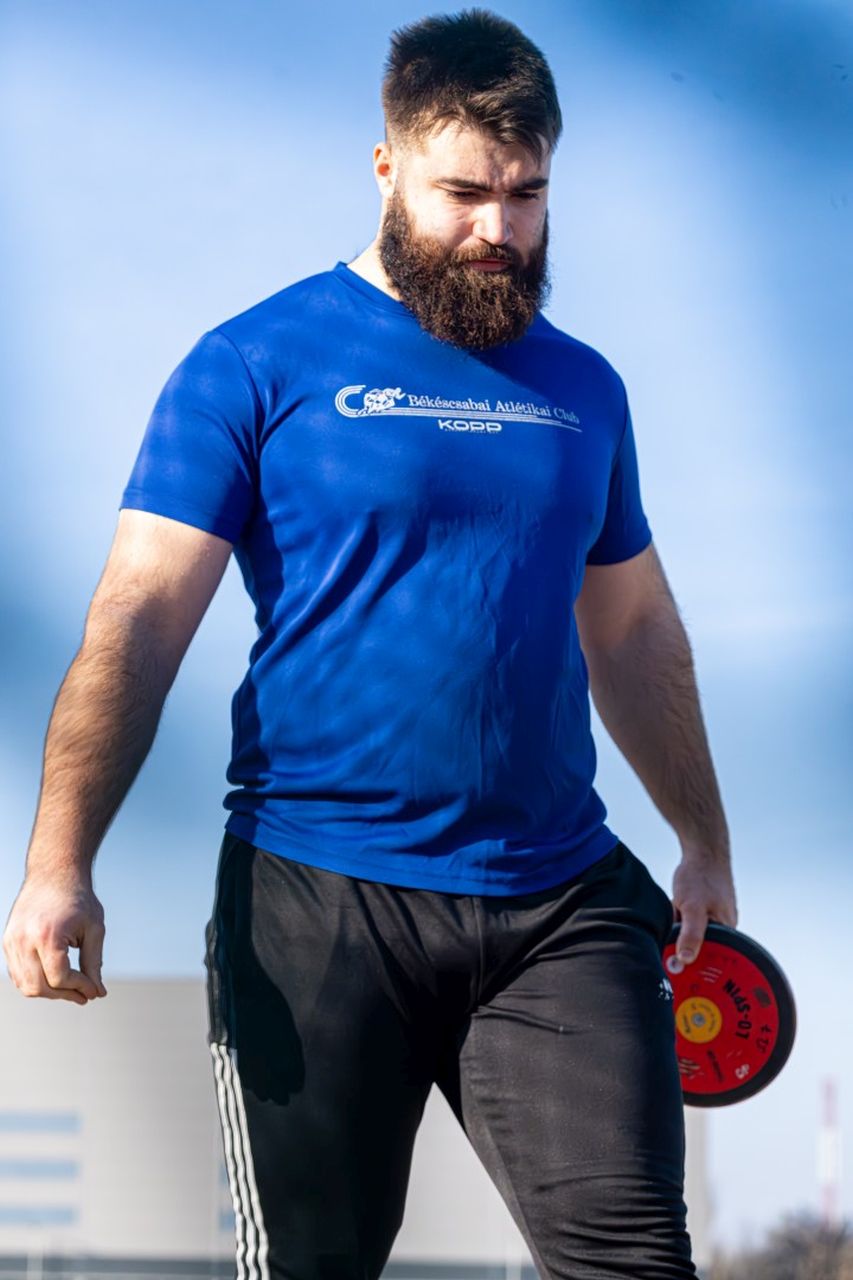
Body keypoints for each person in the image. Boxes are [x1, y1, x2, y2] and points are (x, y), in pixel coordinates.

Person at [3, 9, 737, 1278]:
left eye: (527, 194)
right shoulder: (252, 362)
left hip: (555, 900)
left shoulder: (585, 389)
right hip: (316, 898)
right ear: (387, 166)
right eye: (465, 193)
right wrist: (58, 860)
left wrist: (703, 839)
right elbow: (137, 617)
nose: (499, 229)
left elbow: (633, 630)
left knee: (636, 1259)